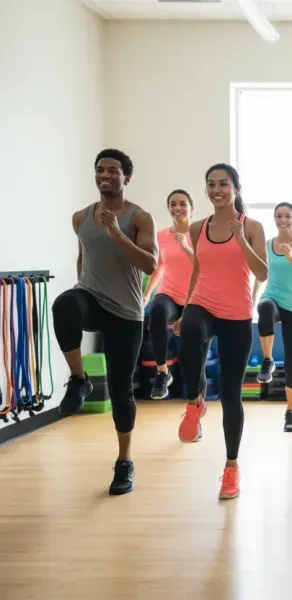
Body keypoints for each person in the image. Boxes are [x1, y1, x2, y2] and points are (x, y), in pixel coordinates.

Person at [52, 148, 158, 496]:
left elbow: (149, 264)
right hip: (92, 299)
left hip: (126, 312)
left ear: (126, 177)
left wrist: (116, 233)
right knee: (65, 303)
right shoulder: (80, 217)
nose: (106, 175)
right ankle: (79, 379)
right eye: (101, 170)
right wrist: (83, 289)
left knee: (120, 388)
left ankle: (124, 461)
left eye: (113, 170)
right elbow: (83, 257)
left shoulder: (139, 217)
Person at [173, 163, 268, 500]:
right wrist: (185, 309)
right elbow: (198, 269)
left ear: (236, 189)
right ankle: (195, 402)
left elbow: (263, 272)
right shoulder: (197, 228)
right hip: (202, 303)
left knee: (231, 395)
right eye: (211, 184)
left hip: (237, 314)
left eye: (223, 183)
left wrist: (242, 241)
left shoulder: (253, 226)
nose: (217, 189)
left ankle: (231, 467)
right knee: (189, 334)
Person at [252, 202, 292, 432]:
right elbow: (260, 275)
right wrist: (251, 298)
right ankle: (268, 359)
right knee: (263, 307)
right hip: (272, 297)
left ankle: (291, 412)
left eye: (287, 216)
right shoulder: (268, 245)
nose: (283, 220)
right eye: (278, 216)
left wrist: (291, 256)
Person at [143, 189, 195, 400]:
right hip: (170, 294)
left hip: (195, 298)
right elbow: (160, 266)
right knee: (156, 310)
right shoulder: (161, 236)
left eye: (182, 203)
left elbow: (203, 268)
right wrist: (147, 294)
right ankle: (163, 372)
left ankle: (195, 402)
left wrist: (185, 246)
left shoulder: (200, 234)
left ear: (192, 208)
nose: (177, 208)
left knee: (192, 354)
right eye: (173, 204)